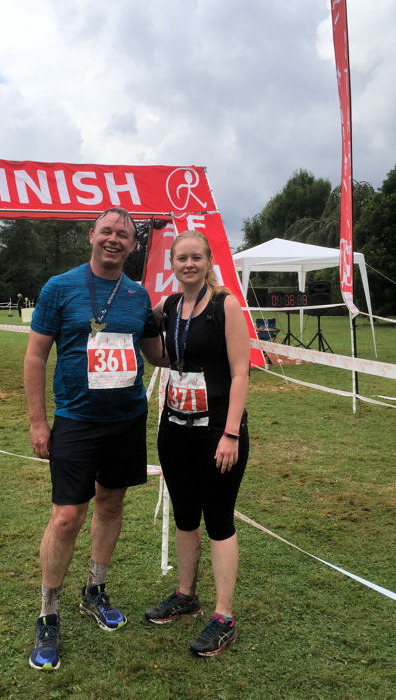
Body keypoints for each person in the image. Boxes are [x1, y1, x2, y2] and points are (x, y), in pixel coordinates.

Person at [24, 207, 165, 671]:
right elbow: (35, 357)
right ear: (91, 236)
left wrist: (202, 318)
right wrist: (38, 422)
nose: (114, 239)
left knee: (110, 505)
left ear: (132, 245)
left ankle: (95, 590)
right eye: (107, 230)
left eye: (123, 234)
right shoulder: (59, 288)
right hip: (76, 422)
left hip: (126, 420)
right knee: (66, 517)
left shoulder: (138, 295)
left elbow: (156, 353)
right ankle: (48, 616)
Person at [144, 230, 250, 658]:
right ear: (172, 264)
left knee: (218, 519)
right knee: (186, 516)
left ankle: (224, 616)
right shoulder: (169, 306)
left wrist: (231, 433)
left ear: (208, 262)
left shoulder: (225, 306)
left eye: (196, 258)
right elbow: (155, 346)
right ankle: (186, 594)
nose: (188, 264)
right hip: (175, 429)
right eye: (181, 258)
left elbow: (241, 373)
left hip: (216, 432)